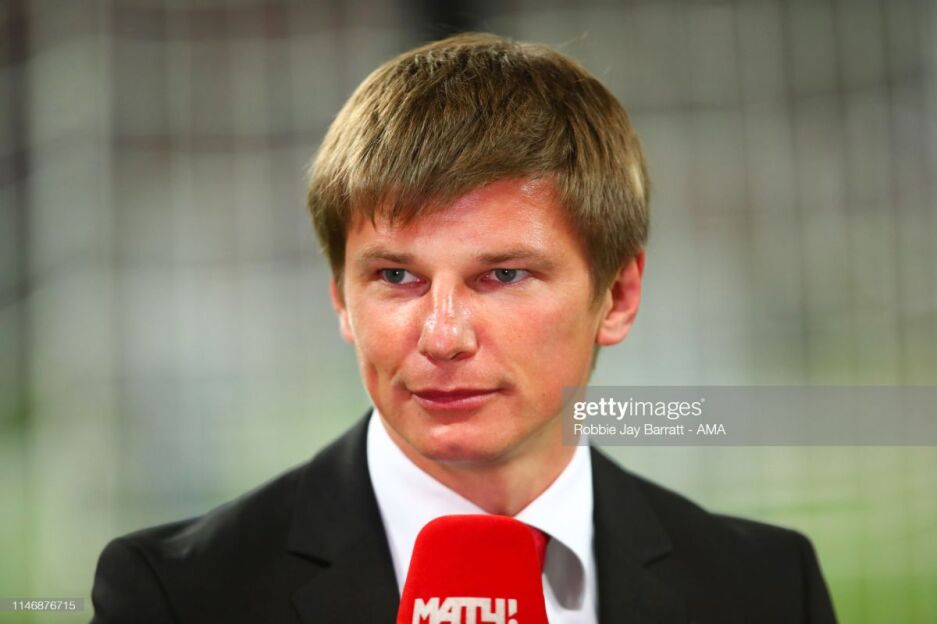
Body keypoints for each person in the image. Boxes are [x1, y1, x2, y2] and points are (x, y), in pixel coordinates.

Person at [90, 33, 837, 623]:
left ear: (617, 296)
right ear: (341, 299)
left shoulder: (766, 587)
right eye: (396, 277)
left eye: (502, 275)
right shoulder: (176, 596)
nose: (442, 336)